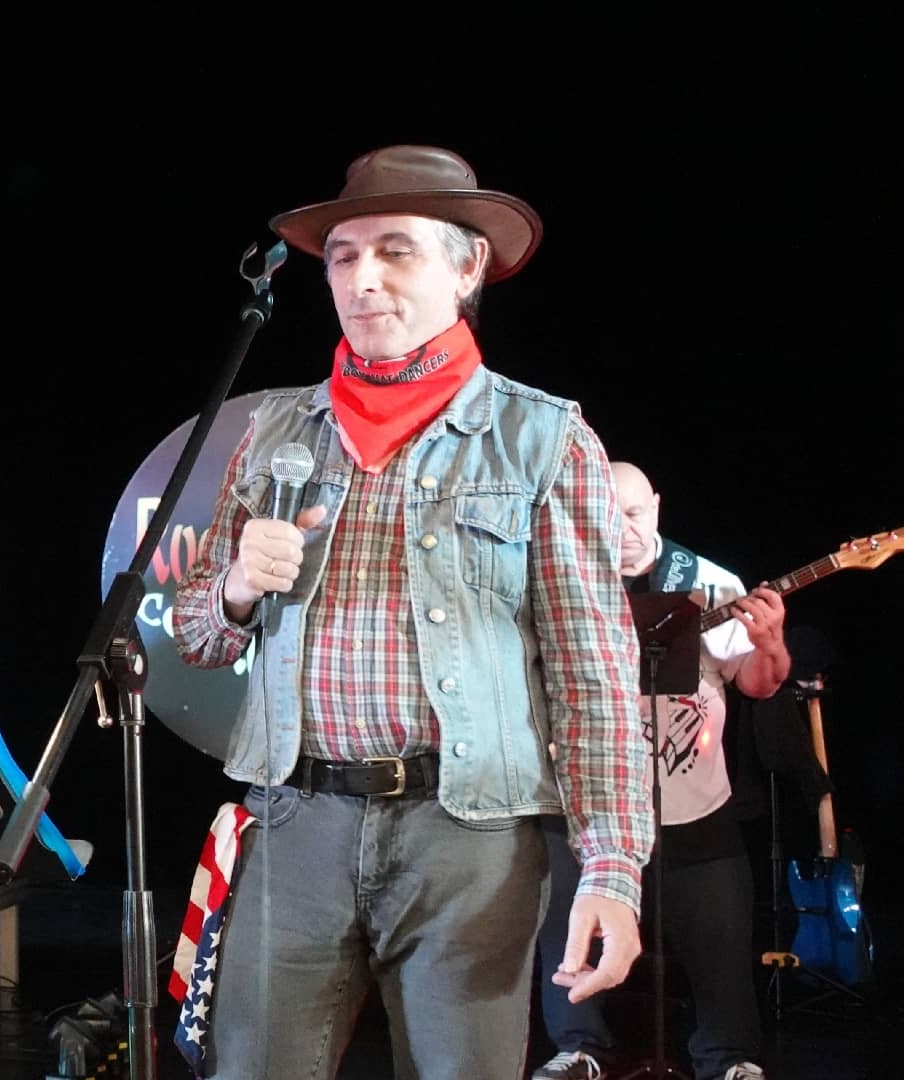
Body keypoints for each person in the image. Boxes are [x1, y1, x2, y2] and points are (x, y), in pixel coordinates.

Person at [169, 145, 652, 1079]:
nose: (363, 279)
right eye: (344, 256)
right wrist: (231, 589)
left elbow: (594, 678)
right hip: (294, 816)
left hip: (467, 840)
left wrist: (612, 869)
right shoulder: (272, 431)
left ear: (467, 268)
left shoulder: (545, 438)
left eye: (397, 251)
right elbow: (195, 634)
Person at [529, 461, 786, 1080]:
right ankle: (578, 1047)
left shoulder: (705, 581)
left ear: (659, 508)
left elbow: (757, 682)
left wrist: (771, 642)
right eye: (609, 514)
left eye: (638, 513)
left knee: (720, 941)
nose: (626, 528)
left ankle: (729, 1059)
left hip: (694, 802)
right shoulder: (563, 583)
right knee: (569, 928)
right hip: (586, 802)